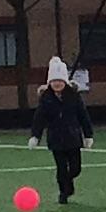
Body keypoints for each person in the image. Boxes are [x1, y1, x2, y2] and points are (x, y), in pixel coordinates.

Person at [31, 59, 95, 204]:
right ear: (49, 82)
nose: (57, 84)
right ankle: (63, 192)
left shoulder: (74, 96)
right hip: (56, 140)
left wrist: (88, 135)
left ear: (65, 81)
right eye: (54, 81)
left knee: (75, 168)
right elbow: (39, 118)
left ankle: (68, 183)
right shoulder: (46, 98)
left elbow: (83, 116)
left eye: (60, 80)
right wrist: (35, 136)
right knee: (61, 169)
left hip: (73, 139)